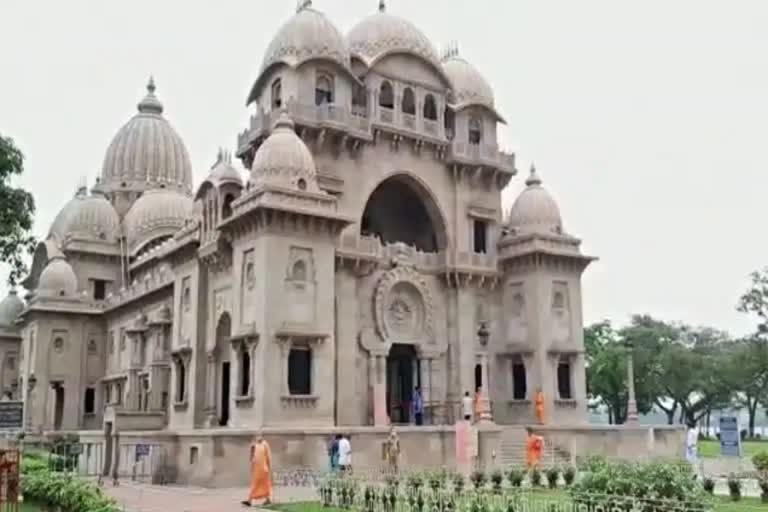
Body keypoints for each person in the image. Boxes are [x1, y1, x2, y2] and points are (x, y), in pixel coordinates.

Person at [242, 431, 272, 507]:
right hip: (256, 468)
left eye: (259, 435)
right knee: (257, 484)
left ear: (262, 436)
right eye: (256, 436)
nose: (257, 437)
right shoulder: (255, 445)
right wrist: (251, 450)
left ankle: (250, 500)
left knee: (262, 484)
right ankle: (266, 499)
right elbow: (252, 457)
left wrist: (268, 467)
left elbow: (268, 456)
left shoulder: (265, 444)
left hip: (263, 468)